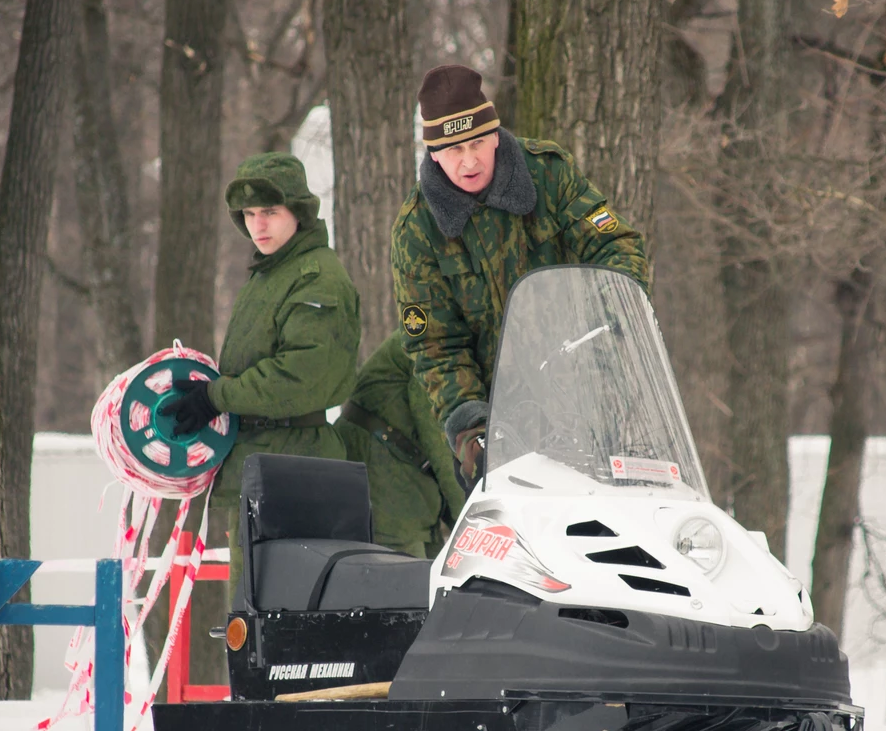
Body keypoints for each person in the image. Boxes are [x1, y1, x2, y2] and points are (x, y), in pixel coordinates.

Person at [391, 63, 649, 487]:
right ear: (434, 153)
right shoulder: (417, 231)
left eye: (477, 142)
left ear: (495, 134)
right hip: (504, 429)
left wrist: (615, 312)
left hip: (593, 403)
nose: (469, 160)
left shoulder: (548, 174)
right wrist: (472, 431)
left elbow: (614, 243)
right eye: (454, 149)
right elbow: (435, 346)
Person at [162, 152, 360, 604]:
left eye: (269, 211)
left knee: (283, 617)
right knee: (251, 620)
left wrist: (216, 397)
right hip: (262, 467)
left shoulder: (316, 278)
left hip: (295, 472)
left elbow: (301, 377)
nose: (258, 225)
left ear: (299, 211)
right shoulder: (269, 276)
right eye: (249, 214)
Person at [335, 332, 468, 558]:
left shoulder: (450, 338)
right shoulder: (435, 341)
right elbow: (440, 440)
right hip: (385, 482)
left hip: (408, 484)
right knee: (404, 572)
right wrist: (466, 512)